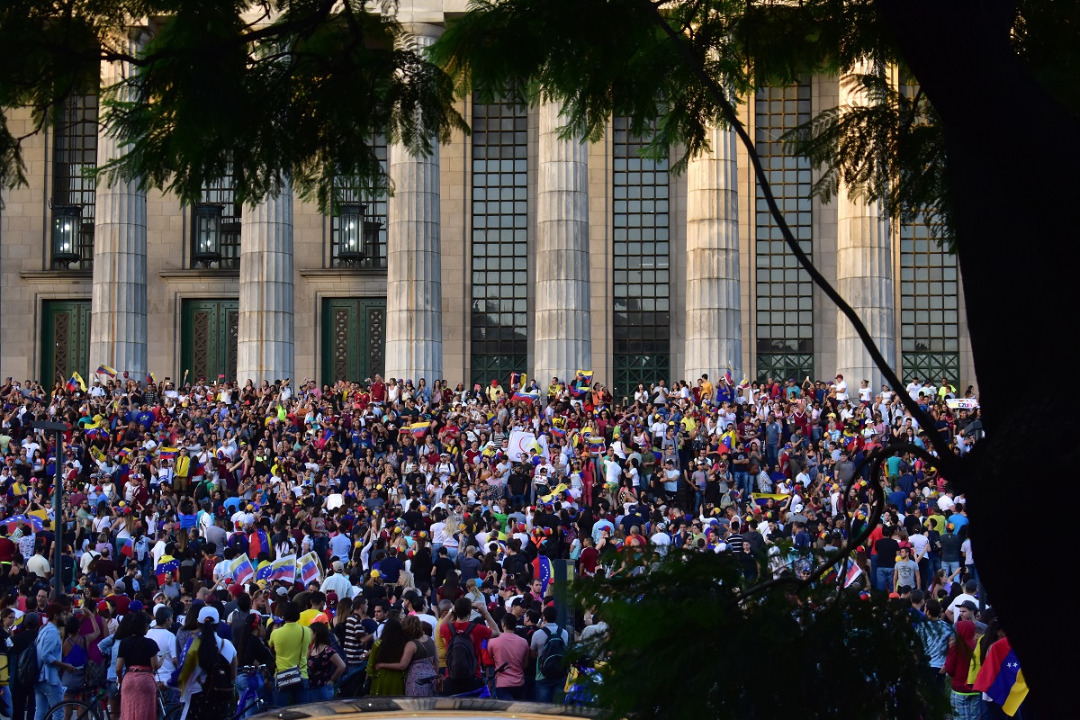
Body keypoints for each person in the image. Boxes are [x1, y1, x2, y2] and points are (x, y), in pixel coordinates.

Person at [178, 606, 237, 720]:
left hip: (196, 701)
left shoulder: (192, 645)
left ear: (198, 623)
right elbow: (233, 675)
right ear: (219, 624)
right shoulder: (228, 645)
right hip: (219, 702)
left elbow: (183, 676)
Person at [373, 615, 437, 697]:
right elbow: (437, 661)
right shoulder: (430, 640)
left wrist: (382, 665)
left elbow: (402, 665)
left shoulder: (411, 644)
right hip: (431, 678)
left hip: (416, 681)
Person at [114, 612, 161, 720]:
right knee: (145, 712)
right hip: (145, 679)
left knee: (128, 711)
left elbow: (118, 667)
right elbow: (154, 666)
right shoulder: (150, 643)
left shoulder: (124, 643)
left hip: (129, 679)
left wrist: (120, 679)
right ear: (144, 626)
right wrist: (162, 660)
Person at [35, 603, 76, 720]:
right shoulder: (52, 632)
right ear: (55, 616)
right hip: (49, 678)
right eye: (63, 614)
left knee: (40, 712)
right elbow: (46, 656)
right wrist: (64, 666)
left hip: (39, 677)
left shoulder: (43, 630)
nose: (65, 617)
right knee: (58, 712)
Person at [268, 602, 311, 706]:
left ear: (284, 615)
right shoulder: (306, 631)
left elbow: (271, 647)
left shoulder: (276, 633)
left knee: (279, 712)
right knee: (303, 713)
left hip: (281, 676)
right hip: (301, 674)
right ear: (298, 615)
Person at [529, 605, 568, 704]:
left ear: (544, 617)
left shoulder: (537, 634)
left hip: (542, 675)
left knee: (543, 708)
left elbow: (532, 654)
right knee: (558, 708)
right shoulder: (564, 633)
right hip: (560, 674)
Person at [488, 614, 530, 700]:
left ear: (503, 624)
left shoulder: (493, 642)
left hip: (502, 683)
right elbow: (525, 664)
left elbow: (490, 659)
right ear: (515, 625)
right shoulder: (523, 642)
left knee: (504, 711)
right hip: (519, 682)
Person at [366, 617, 407, 697]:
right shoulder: (403, 644)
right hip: (397, 679)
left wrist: (368, 679)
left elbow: (370, 665)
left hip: (380, 678)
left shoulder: (378, 644)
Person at [305, 622, 345, 702]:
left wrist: (332, 680)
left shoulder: (328, 650)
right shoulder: (312, 648)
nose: (308, 635)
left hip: (322, 688)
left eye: (310, 632)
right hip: (311, 688)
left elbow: (342, 666)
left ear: (316, 634)